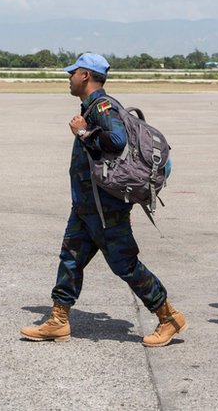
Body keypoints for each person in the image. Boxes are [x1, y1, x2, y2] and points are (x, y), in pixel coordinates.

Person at [20, 53, 187, 347]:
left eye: (72, 73)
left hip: (104, 207)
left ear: (85, 75)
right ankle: (58, 320)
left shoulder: (102, 106)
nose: (68, 78)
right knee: (70, 258)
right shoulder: (93, 106)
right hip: (86, 206)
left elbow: (118, 139)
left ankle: (168, 316)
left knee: (125, 264)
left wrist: (83, 132)